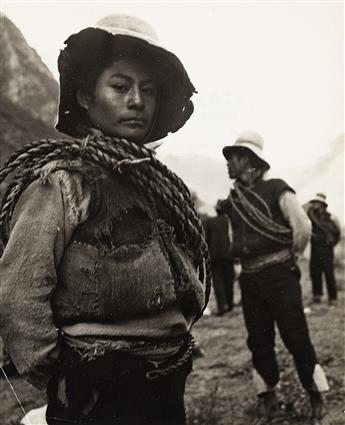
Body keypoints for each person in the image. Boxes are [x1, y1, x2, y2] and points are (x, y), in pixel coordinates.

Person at [0, 15, 211, 425]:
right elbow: (18, 293)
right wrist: (61, 376)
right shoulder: (60, 181)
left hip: (167, 380)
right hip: (94, 392)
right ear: (84, 96)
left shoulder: (159, 185)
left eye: (148, 90)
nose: (137, 100)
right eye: (120, 86)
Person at [219, 131, 329, 421]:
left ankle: (316, 394)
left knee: (295, 336)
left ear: (249, 160)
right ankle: (267, 396)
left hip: (280, 274)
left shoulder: (279, 189)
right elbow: (235, 238)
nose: (228, 163)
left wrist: (291, 258)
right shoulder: (234, 199)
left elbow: (302, 227)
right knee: (258, 339)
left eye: (234, 157)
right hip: (251, 278)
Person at [304, 193, 341, 306]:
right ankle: (317, 296)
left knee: (329, 273)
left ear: (322, 205)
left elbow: (337, 233)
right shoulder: (310, 216)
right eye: (314, 203)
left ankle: (332, 298)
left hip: (326, 248)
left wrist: (331, 243)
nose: (314, 205)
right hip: (315, 247)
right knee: (315, 272)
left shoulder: (330, 217)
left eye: (316, 203)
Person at [204, 200, 235, 315]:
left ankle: (222, 306)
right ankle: (230, 304)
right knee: (229, 280)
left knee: (218, 281)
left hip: (215, 256)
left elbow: (205, 239)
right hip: (229, 255)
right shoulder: (229, 221)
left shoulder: (209, 222)